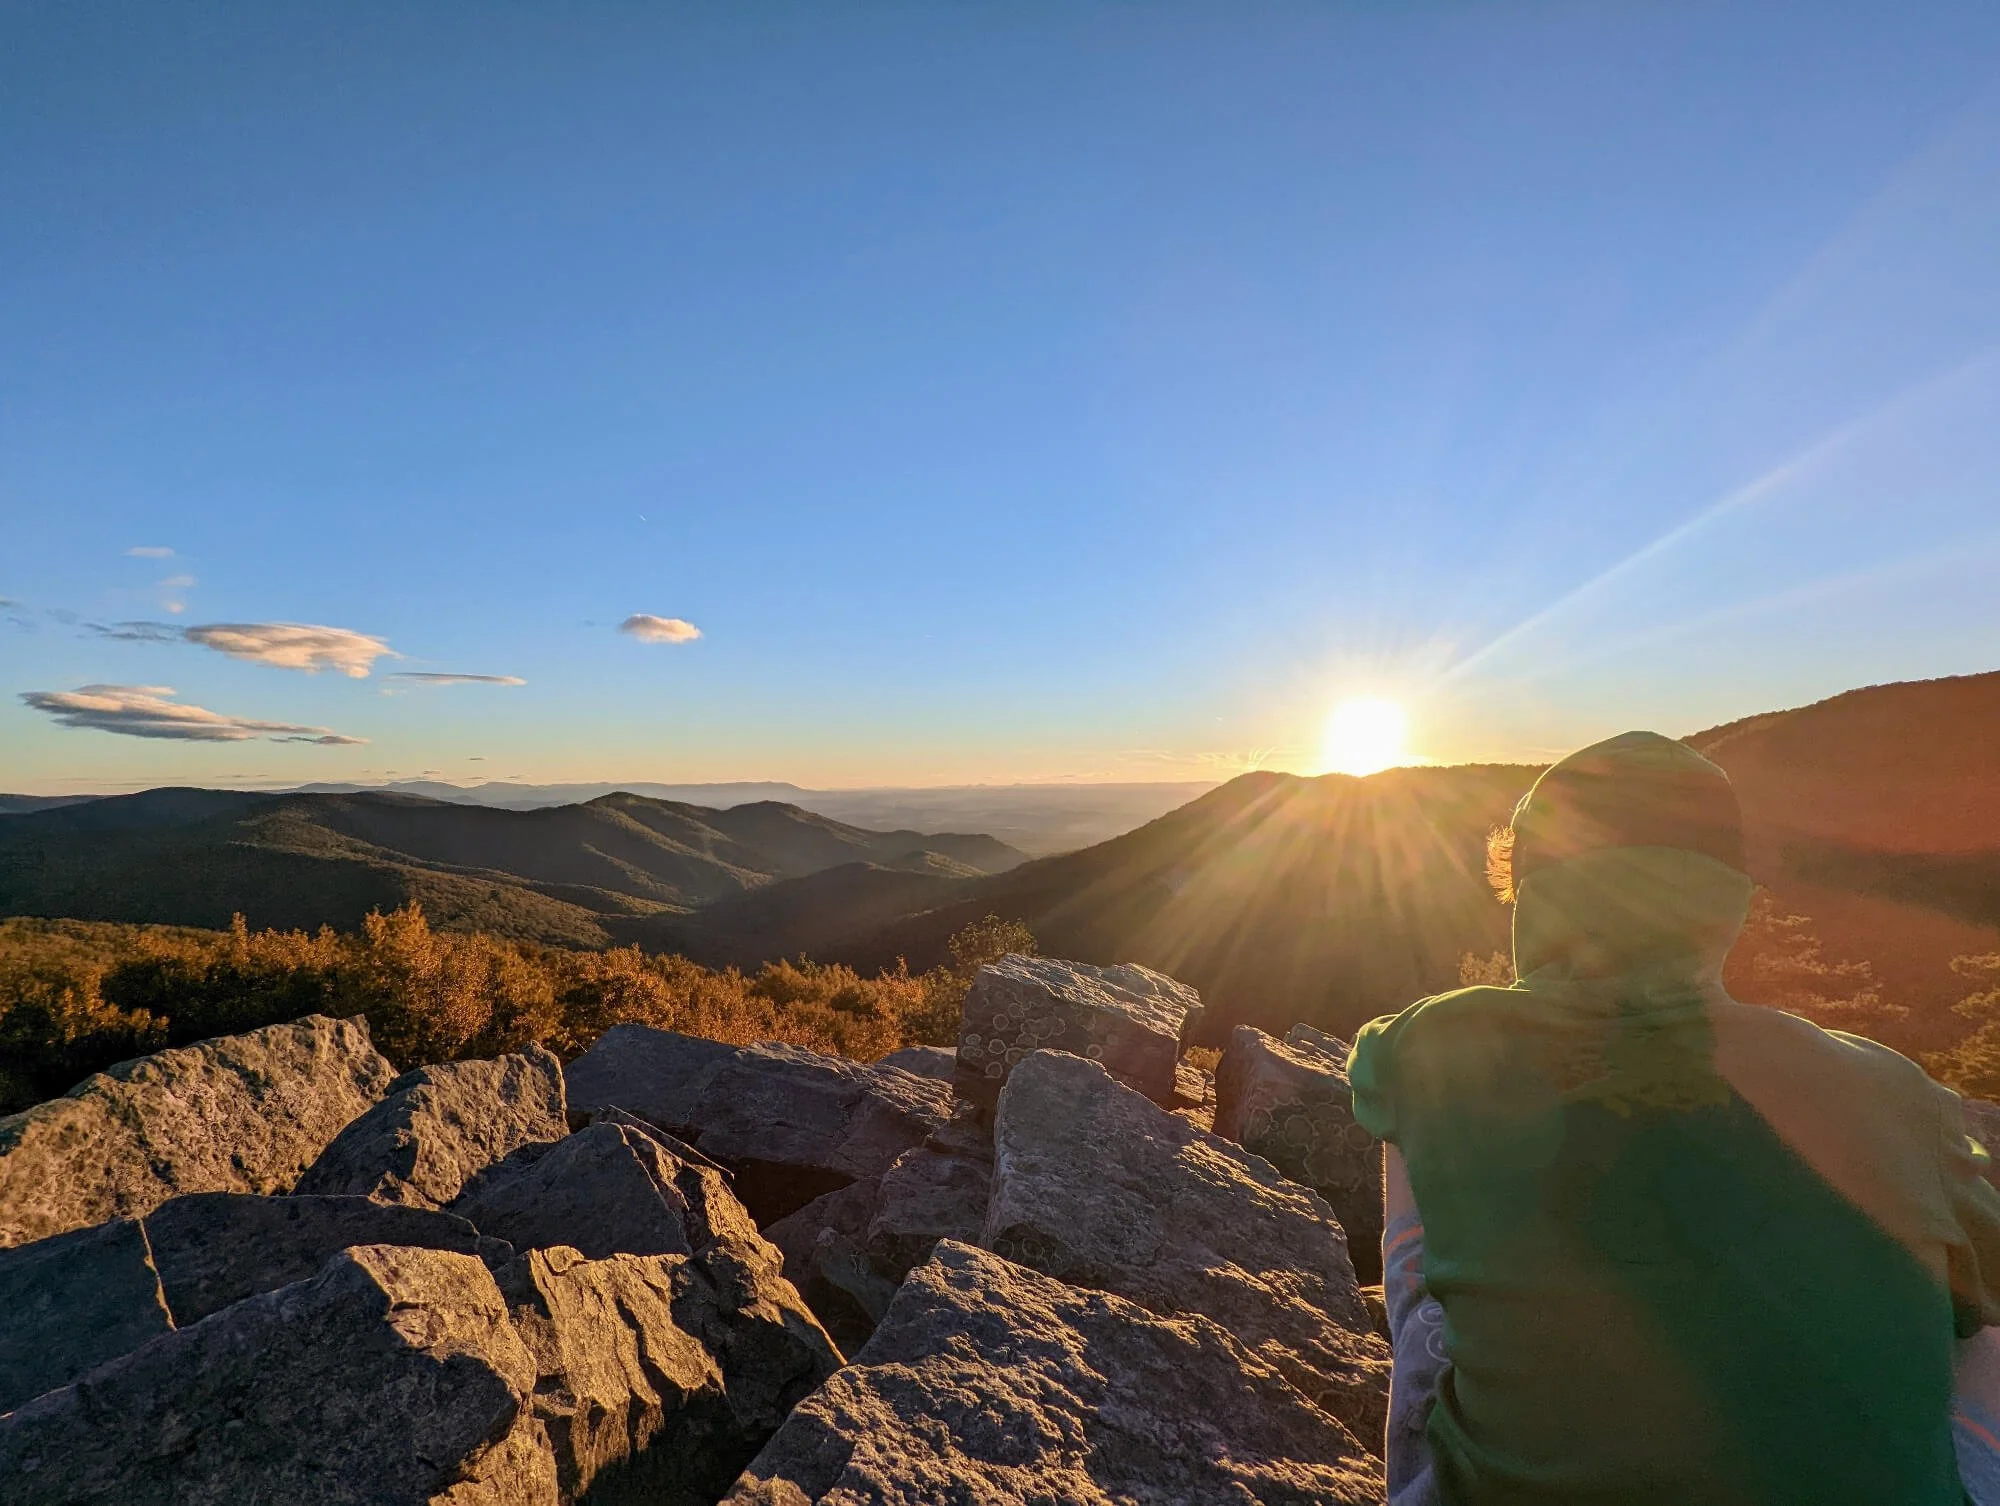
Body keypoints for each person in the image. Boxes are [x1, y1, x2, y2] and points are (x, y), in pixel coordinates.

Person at [1346, 730, 2000, 1506]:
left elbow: (1369, 1078)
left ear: (1530, 892)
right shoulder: (1899, 1090)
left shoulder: (1432, 1040)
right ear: (1729, 900)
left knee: (1414, 1146)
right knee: (1979, 1333)